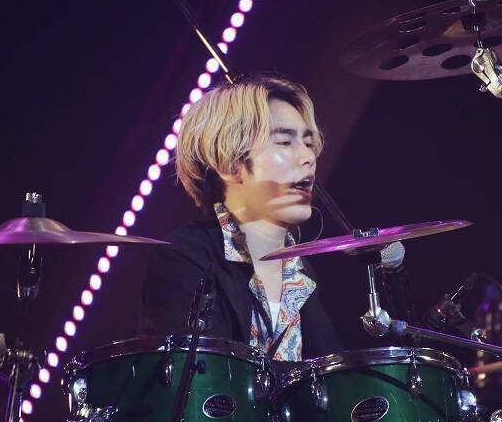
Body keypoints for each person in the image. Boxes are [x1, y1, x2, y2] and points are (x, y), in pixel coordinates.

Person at [138, 75, 407, 362]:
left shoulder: (300, 269)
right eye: (285, 142)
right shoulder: (185, 257)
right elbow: (200, 379)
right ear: (230, 164)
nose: (308, 157)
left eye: (308, 143)